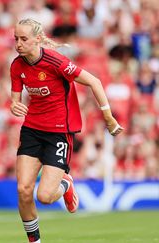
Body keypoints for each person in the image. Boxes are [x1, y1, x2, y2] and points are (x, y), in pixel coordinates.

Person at [10, 18, 123, 243]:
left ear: (38, 40)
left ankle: (65, 183)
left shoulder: (56, 62)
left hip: (59, 132)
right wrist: (14, 104)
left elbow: (95, 82)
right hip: (32, 129)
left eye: (24, 39)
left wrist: (108, 117)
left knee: (44, 196)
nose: (18, 44)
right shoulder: (17, 65)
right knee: (23, 191)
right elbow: (15, 99)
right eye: (16, 39)